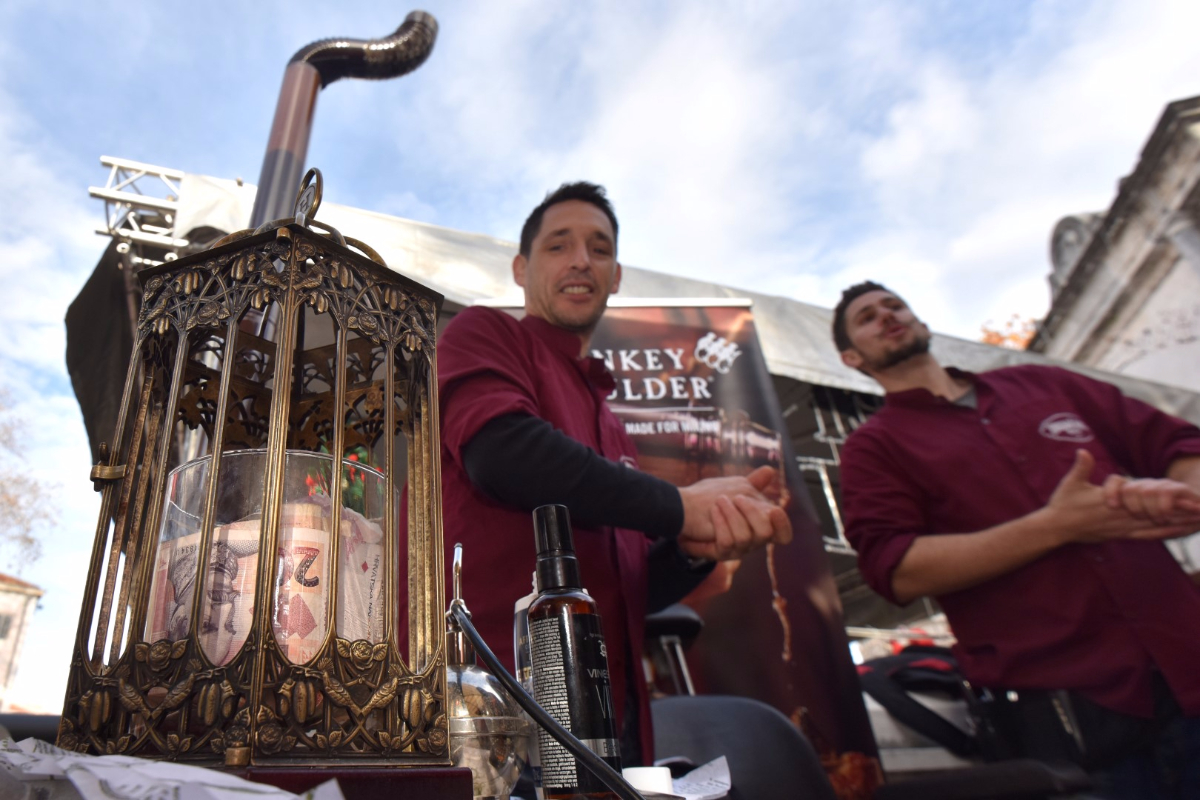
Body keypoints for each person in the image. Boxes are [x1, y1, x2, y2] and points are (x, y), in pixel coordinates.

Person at [436, 182, 792, 765]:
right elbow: (502, 454)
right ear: (521, 269)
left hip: (613, 720)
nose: (581, 260)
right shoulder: (485, 333)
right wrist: (684, 506)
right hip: (492, 710)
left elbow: (628, 594)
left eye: (599, 249)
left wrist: (694, 547)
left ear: (616, 276)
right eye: (559, 245)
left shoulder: (613, 426)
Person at [833, 280, 1200, 798]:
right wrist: (1056, 525)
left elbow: (1179, 442)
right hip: (1076, 723)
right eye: (867, 317)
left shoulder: (1045, 384)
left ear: (922, 322)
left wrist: (1185, 497)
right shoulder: (874, 448)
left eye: (895, 305)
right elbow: (896, 569)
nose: (887, 316)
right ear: (851, 358)